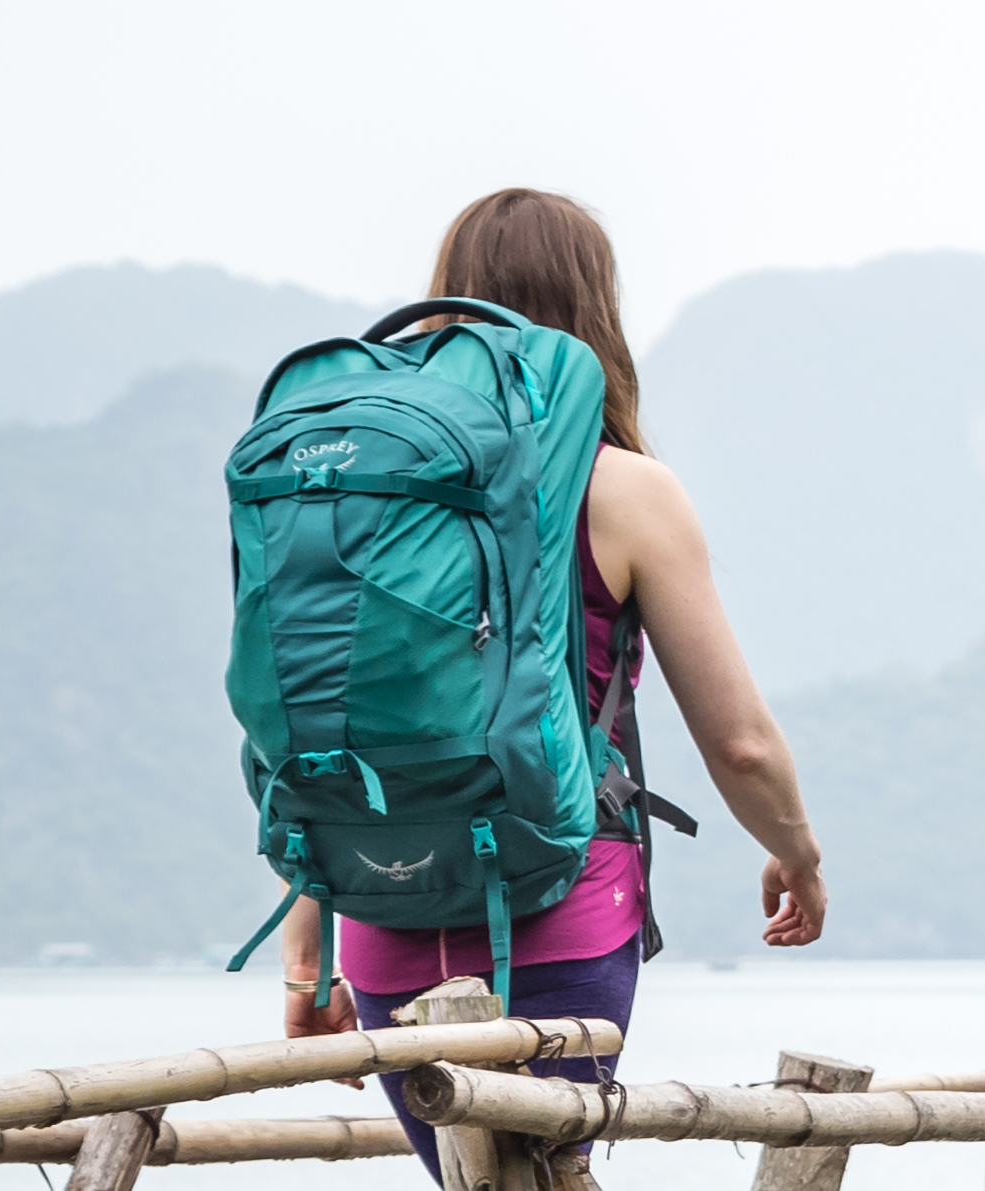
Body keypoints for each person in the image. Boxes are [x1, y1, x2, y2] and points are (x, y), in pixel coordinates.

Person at [267, 188, 833, 1181]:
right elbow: (737, 740)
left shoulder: (372, 493)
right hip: (558, 899)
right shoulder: (623, 489)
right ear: (596, 310)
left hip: (384, 915)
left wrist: (307, 955)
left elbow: (331, 717)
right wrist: (797, 852)